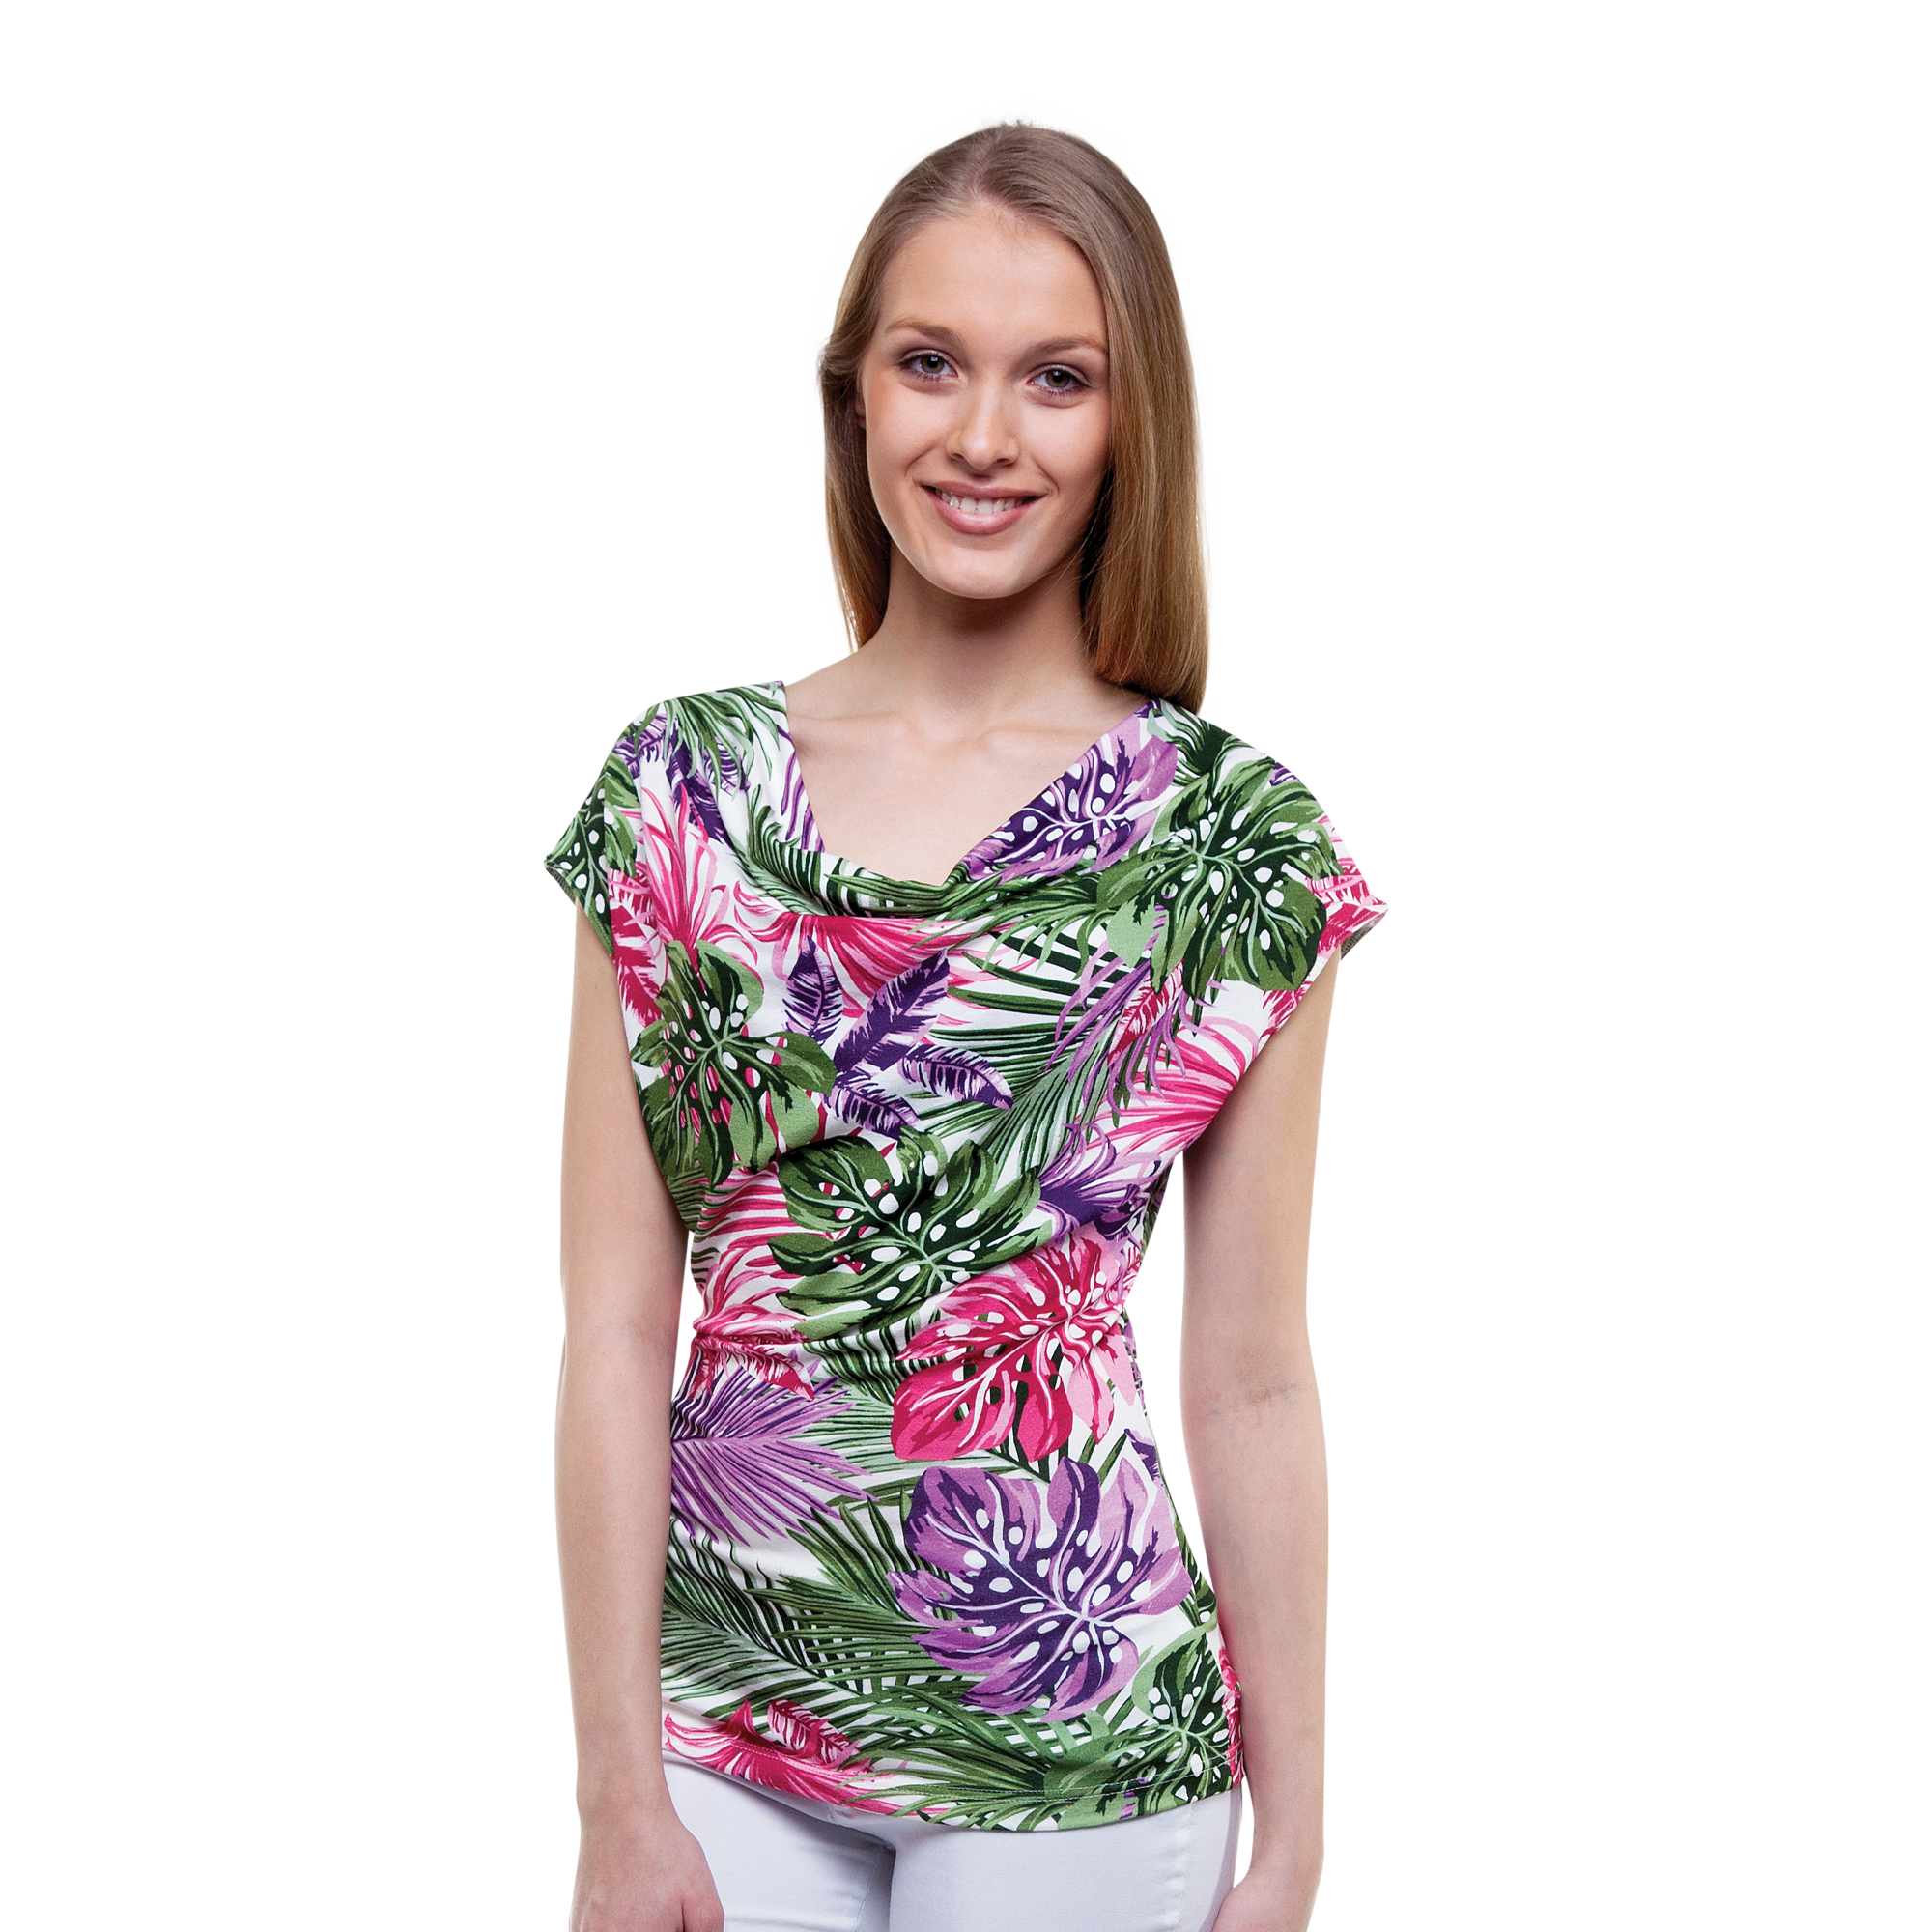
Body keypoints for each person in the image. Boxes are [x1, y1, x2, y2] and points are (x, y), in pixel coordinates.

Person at [547, 118, 1382, 1932]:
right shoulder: (674, 799)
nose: (986, 436)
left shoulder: (1231, 845)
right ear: (852, 394)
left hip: (1081, 1759)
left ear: (1132, 422)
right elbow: (612, 1327)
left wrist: (1298, 1838)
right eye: (931, 362)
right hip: (721, 1734)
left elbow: (1250, 1374)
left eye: (1056, 378)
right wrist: (612, 1793)